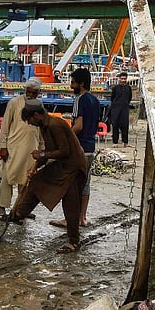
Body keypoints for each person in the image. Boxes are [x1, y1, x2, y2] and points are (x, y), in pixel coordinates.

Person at [11, 99, 88, 253]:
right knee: (38, 180)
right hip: (63, 165)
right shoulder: (44, 126)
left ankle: (74, 241)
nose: (30, 123)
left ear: (37, 115)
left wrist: (41, 154)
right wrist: (37, 164)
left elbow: (63, 151)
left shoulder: (55, 125)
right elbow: (50, 150)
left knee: (70, 202)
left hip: (74, 166)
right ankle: (20, 213)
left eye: (30, 120)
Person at [51, 68, 99, 228]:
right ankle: (82, 218)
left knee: (71, 184)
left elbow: (78, 126)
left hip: (79, 148)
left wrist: (66, 139)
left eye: (73, 82)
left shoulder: (80, 99)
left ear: (81, 84)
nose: (71, 85)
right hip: (91, 147)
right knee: (85, 184)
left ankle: (69, 219)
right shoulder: (95, 100)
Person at [0, 77, 42, 221]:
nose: (31, 95)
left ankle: (21, 210)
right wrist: (3, 146)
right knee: (7, 177)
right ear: (25, 91)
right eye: (29, 92)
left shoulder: (39, 106)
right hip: (13, 148)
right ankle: (2, 208)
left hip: (30, 150)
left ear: (38, 93)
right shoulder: (14, 103)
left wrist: (41, 148)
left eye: (34, 93)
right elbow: (5, 127)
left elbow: (41, 129)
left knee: (26, 181)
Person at [109, 71, 133, 146]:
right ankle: (115, 142)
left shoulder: (128, 88)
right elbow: (112, 98)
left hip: (124, 109)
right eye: (122, 79)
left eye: (124, 79)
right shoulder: (115, 88)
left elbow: (129, 98)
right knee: (115, 125)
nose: (123, 80)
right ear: (119, 79)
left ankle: (125, 142)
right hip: (116, 109)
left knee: (125, 125)